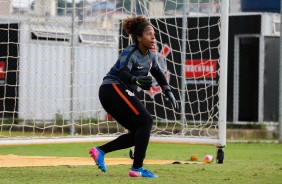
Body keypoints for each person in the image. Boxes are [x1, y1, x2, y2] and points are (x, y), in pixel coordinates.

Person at [89, 16, 179, 178]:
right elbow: (123, 72)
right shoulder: (131, 52)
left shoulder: (151, 55)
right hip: (112, 88)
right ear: (138, 37)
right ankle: (137, 168)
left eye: (154, 34)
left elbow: (157, 72)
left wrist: (168, 91)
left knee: (139, 132)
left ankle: (100, 151)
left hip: (117, 91)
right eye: (149, 34)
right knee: (147, 120)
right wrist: (135, 80)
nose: (153, 37)